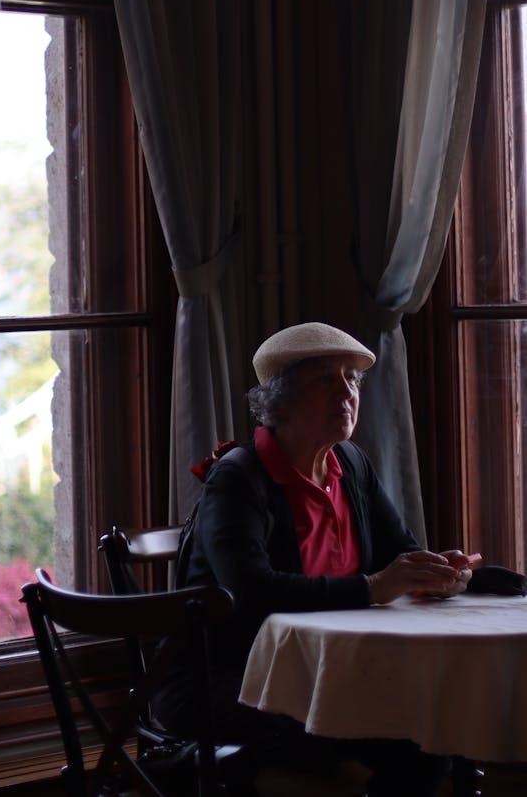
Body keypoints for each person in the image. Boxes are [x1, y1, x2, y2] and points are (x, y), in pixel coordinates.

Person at [153, 322, 475, 796]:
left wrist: (433, 572)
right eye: (326, 378)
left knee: (434, 736)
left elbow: (398, 551)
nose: (346, 392)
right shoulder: (239, 478)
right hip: (232, 678)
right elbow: (251, 592)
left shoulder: (351, 463)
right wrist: (371, 588)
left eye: (352, 378)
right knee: (404, 734)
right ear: (277, 400)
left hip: (327, 669)